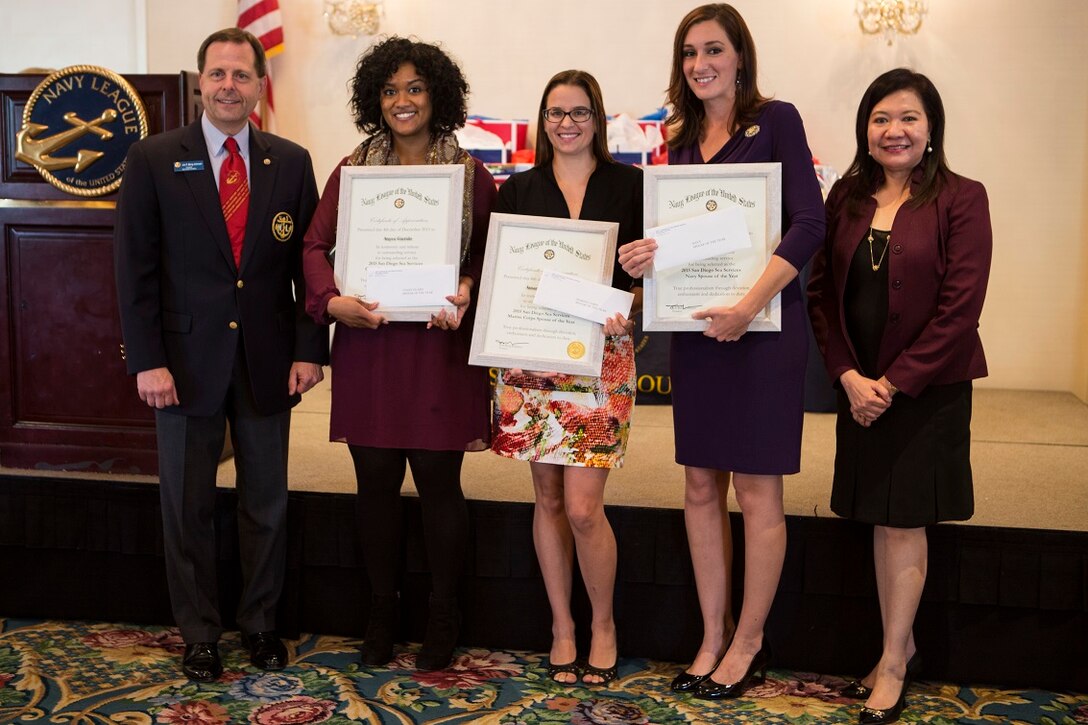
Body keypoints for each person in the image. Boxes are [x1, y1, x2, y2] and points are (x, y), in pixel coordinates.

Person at [619, 3, 825, 700]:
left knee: (760, 490)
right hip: (700, 338)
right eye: (688, 53)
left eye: (712, 49)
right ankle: (712, 631)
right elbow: (679, 239)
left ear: (740, 54)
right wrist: (649, 256)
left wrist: (748, 305)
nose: (699, 64)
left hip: (762, 333)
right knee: (700, 485)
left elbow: (808, 222)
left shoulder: (779, 121)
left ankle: (749, 639)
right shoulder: (676, 142)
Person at [114, 28, 327, 682]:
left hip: (268, 361)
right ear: (200, 81)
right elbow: (134, 268)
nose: (228, 85)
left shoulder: (290, 162)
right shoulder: (153, 158)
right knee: (188, 506)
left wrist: (308, 349)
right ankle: (200, 632)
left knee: (266, 501)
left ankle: (260, 624)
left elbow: (309, 266)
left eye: (241, 74)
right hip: (180, 365)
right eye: (217, 74)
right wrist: (146, 359)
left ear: (259, 84)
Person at [301, 37, 495, 672]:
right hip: (372, 343)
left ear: (437, 94)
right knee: (375, 484)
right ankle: (381, 609)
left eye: (414, 88)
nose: (402, 101)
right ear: (374, 99)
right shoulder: (352, 171)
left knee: (440, 484)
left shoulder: (470, 175)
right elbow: (312, 245)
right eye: (389, 90)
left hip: (438, 347)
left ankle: (444, 610)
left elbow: (487, 259)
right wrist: (331, 303)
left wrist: (465, 288)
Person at [807, 68, 991, 725]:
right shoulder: (846, 196)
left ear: (932, 127)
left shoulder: (963, 198)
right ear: (866, 128)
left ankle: (892, 661)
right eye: (881, 118)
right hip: (860, 387)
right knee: (880, 519)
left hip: (925, 391)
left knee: (905, 519)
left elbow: (960, 308)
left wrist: (893, 383)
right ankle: (899, 640)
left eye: (908, 117)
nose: (895, 130)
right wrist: (848, 376)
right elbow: (822, 294)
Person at [490, 70, 641, 686]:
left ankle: (602, 623)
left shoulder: (630, 186)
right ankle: (562, 626)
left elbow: (645, 272)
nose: (567, 122)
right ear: (542, 119)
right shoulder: (517, 189)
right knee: (547, 498)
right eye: (555, 112)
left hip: (602, 359)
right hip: (533, 360)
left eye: (579, 112)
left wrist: (635, 280)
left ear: (597, 119)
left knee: (583, 507)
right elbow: (500, 274)